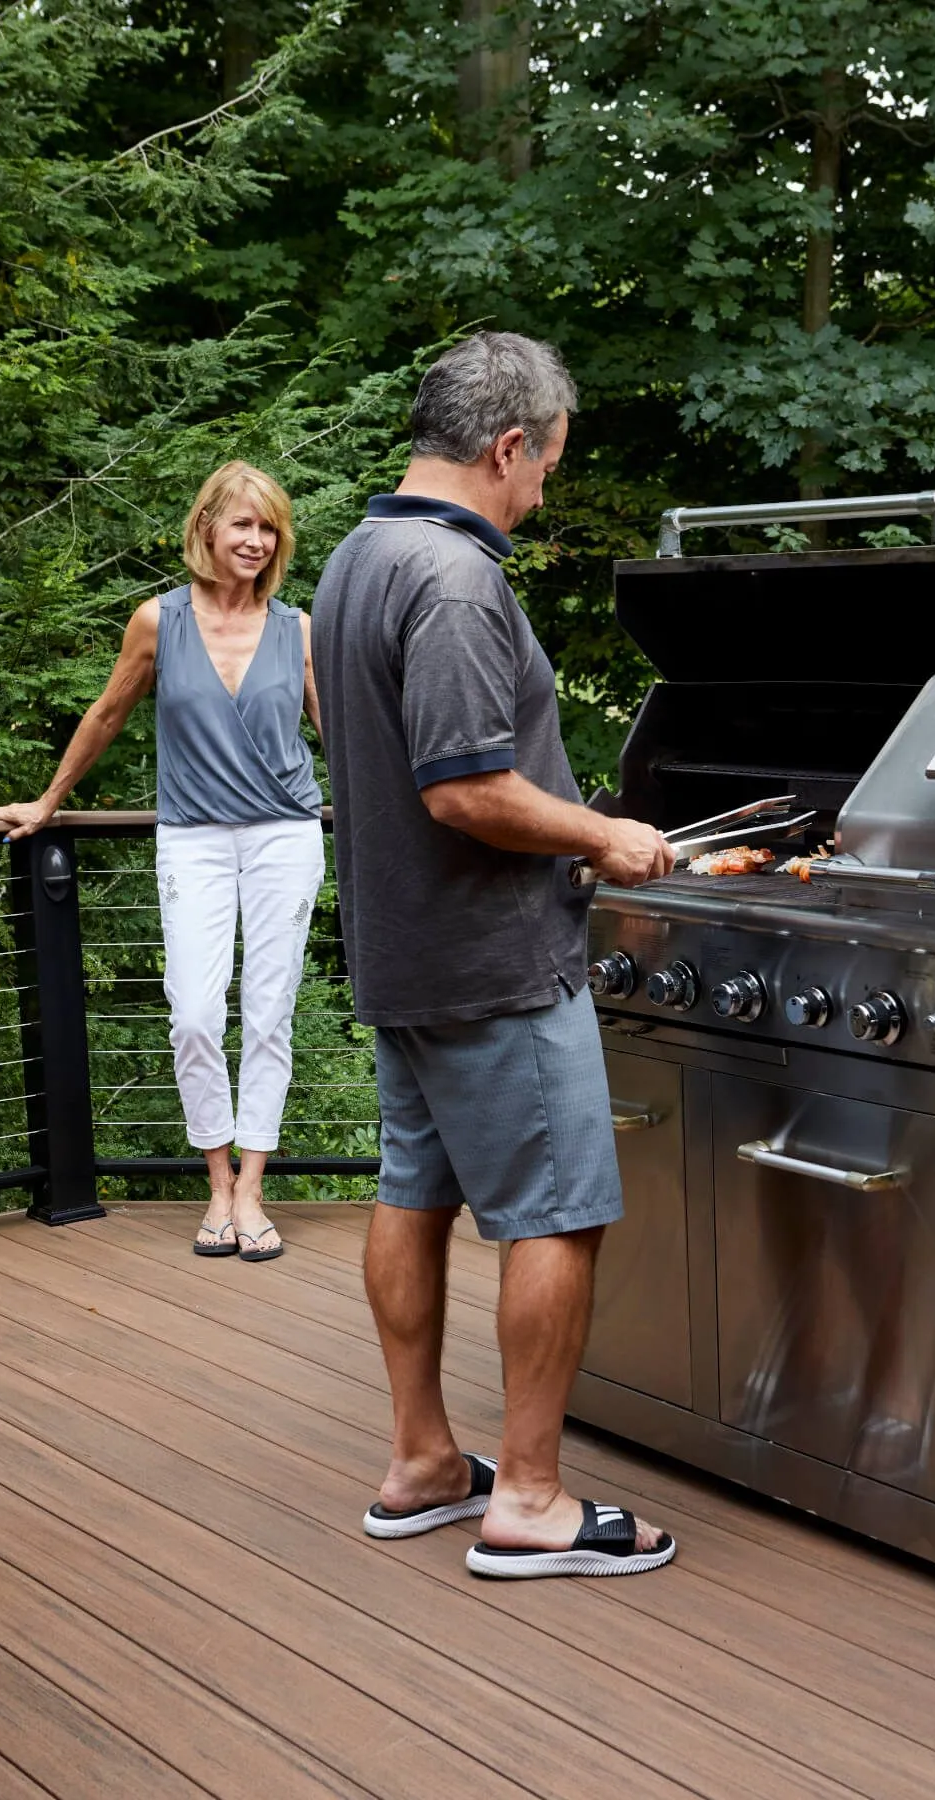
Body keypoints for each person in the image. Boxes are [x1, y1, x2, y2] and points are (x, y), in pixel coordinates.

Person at [312, 331, 678, 1578]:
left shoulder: (361, 556)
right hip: (494, 962)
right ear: (507, 445)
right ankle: (527, 1498)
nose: (542, 495)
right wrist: (605, 833)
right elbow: (466, 788)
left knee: (413, 1193)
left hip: (405, 956)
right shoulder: (458, 581)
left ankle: (423, 1463)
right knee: (557, 1218)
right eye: (545, 468)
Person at [0, 462, 324, 1262]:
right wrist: (47, 801)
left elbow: (338, 732)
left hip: (285, 837)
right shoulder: (158, 622)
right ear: (206, 527)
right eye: (242, 524)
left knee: (269, 1012)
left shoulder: (296, 627)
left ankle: (250, 1188)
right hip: (194, 836)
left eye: (268, 528)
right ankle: (214, 1178)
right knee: (196, 1015)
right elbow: (106, 712)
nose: (256, 540)